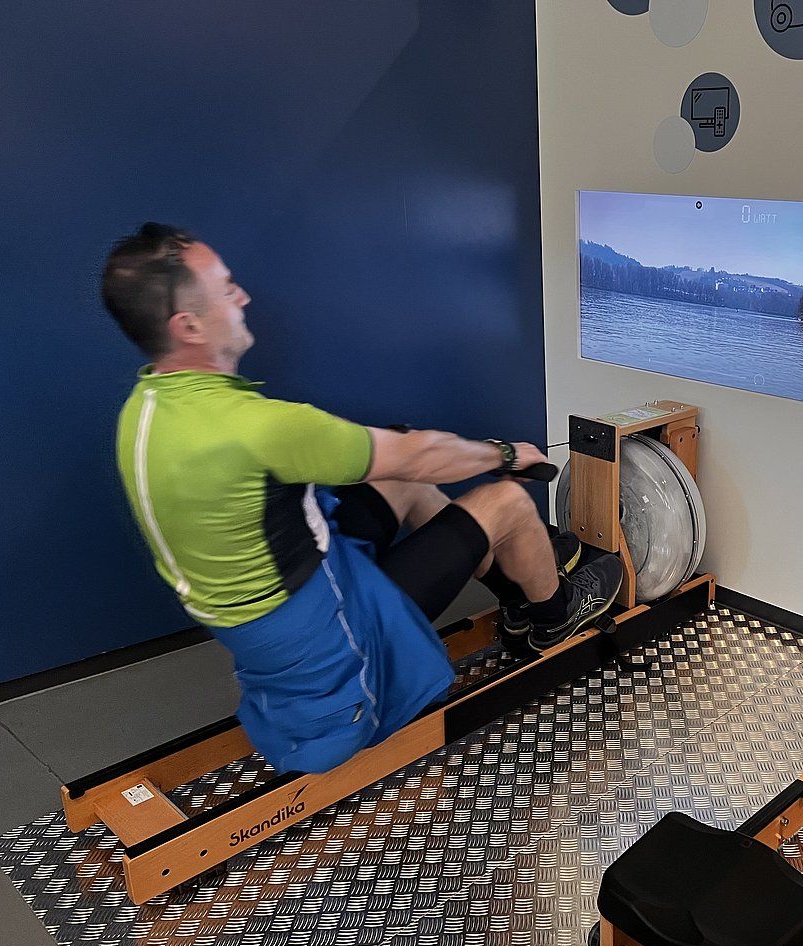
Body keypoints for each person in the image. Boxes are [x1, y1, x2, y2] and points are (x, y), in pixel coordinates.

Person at [100, 223, 623, 774]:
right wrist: (509, 455)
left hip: (265, 625)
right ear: (189, 325)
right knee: (509, 503)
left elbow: (402, 463)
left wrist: (405, 451)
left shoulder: (145, 408)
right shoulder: (255, 426)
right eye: (227, 288)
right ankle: (553, 617)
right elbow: (419, 454)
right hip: (329, 640)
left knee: (402, 483)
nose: (244, 298)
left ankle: (516, 600)